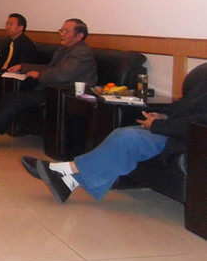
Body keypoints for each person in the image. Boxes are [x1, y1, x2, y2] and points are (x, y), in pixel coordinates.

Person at [21, 78, 207, 203]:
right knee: (120, 133)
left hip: (192, 138)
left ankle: (62, 170)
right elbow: (182, 106)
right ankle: (68, 182)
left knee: (128, 138)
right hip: (173, 128)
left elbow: (200, 121)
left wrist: (158, 125)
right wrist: (162, 115)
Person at [0, 18, 98, 149]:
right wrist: (23, 67)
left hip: (66, 94)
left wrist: (39, 75)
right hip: (53, 90)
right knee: (10, 97)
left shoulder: (81, 52)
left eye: (66, 31)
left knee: (17, 100)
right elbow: (50, 67)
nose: (62, 34)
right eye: (61, 30)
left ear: (79, 36)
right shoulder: (65, 49)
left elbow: (61, 74)